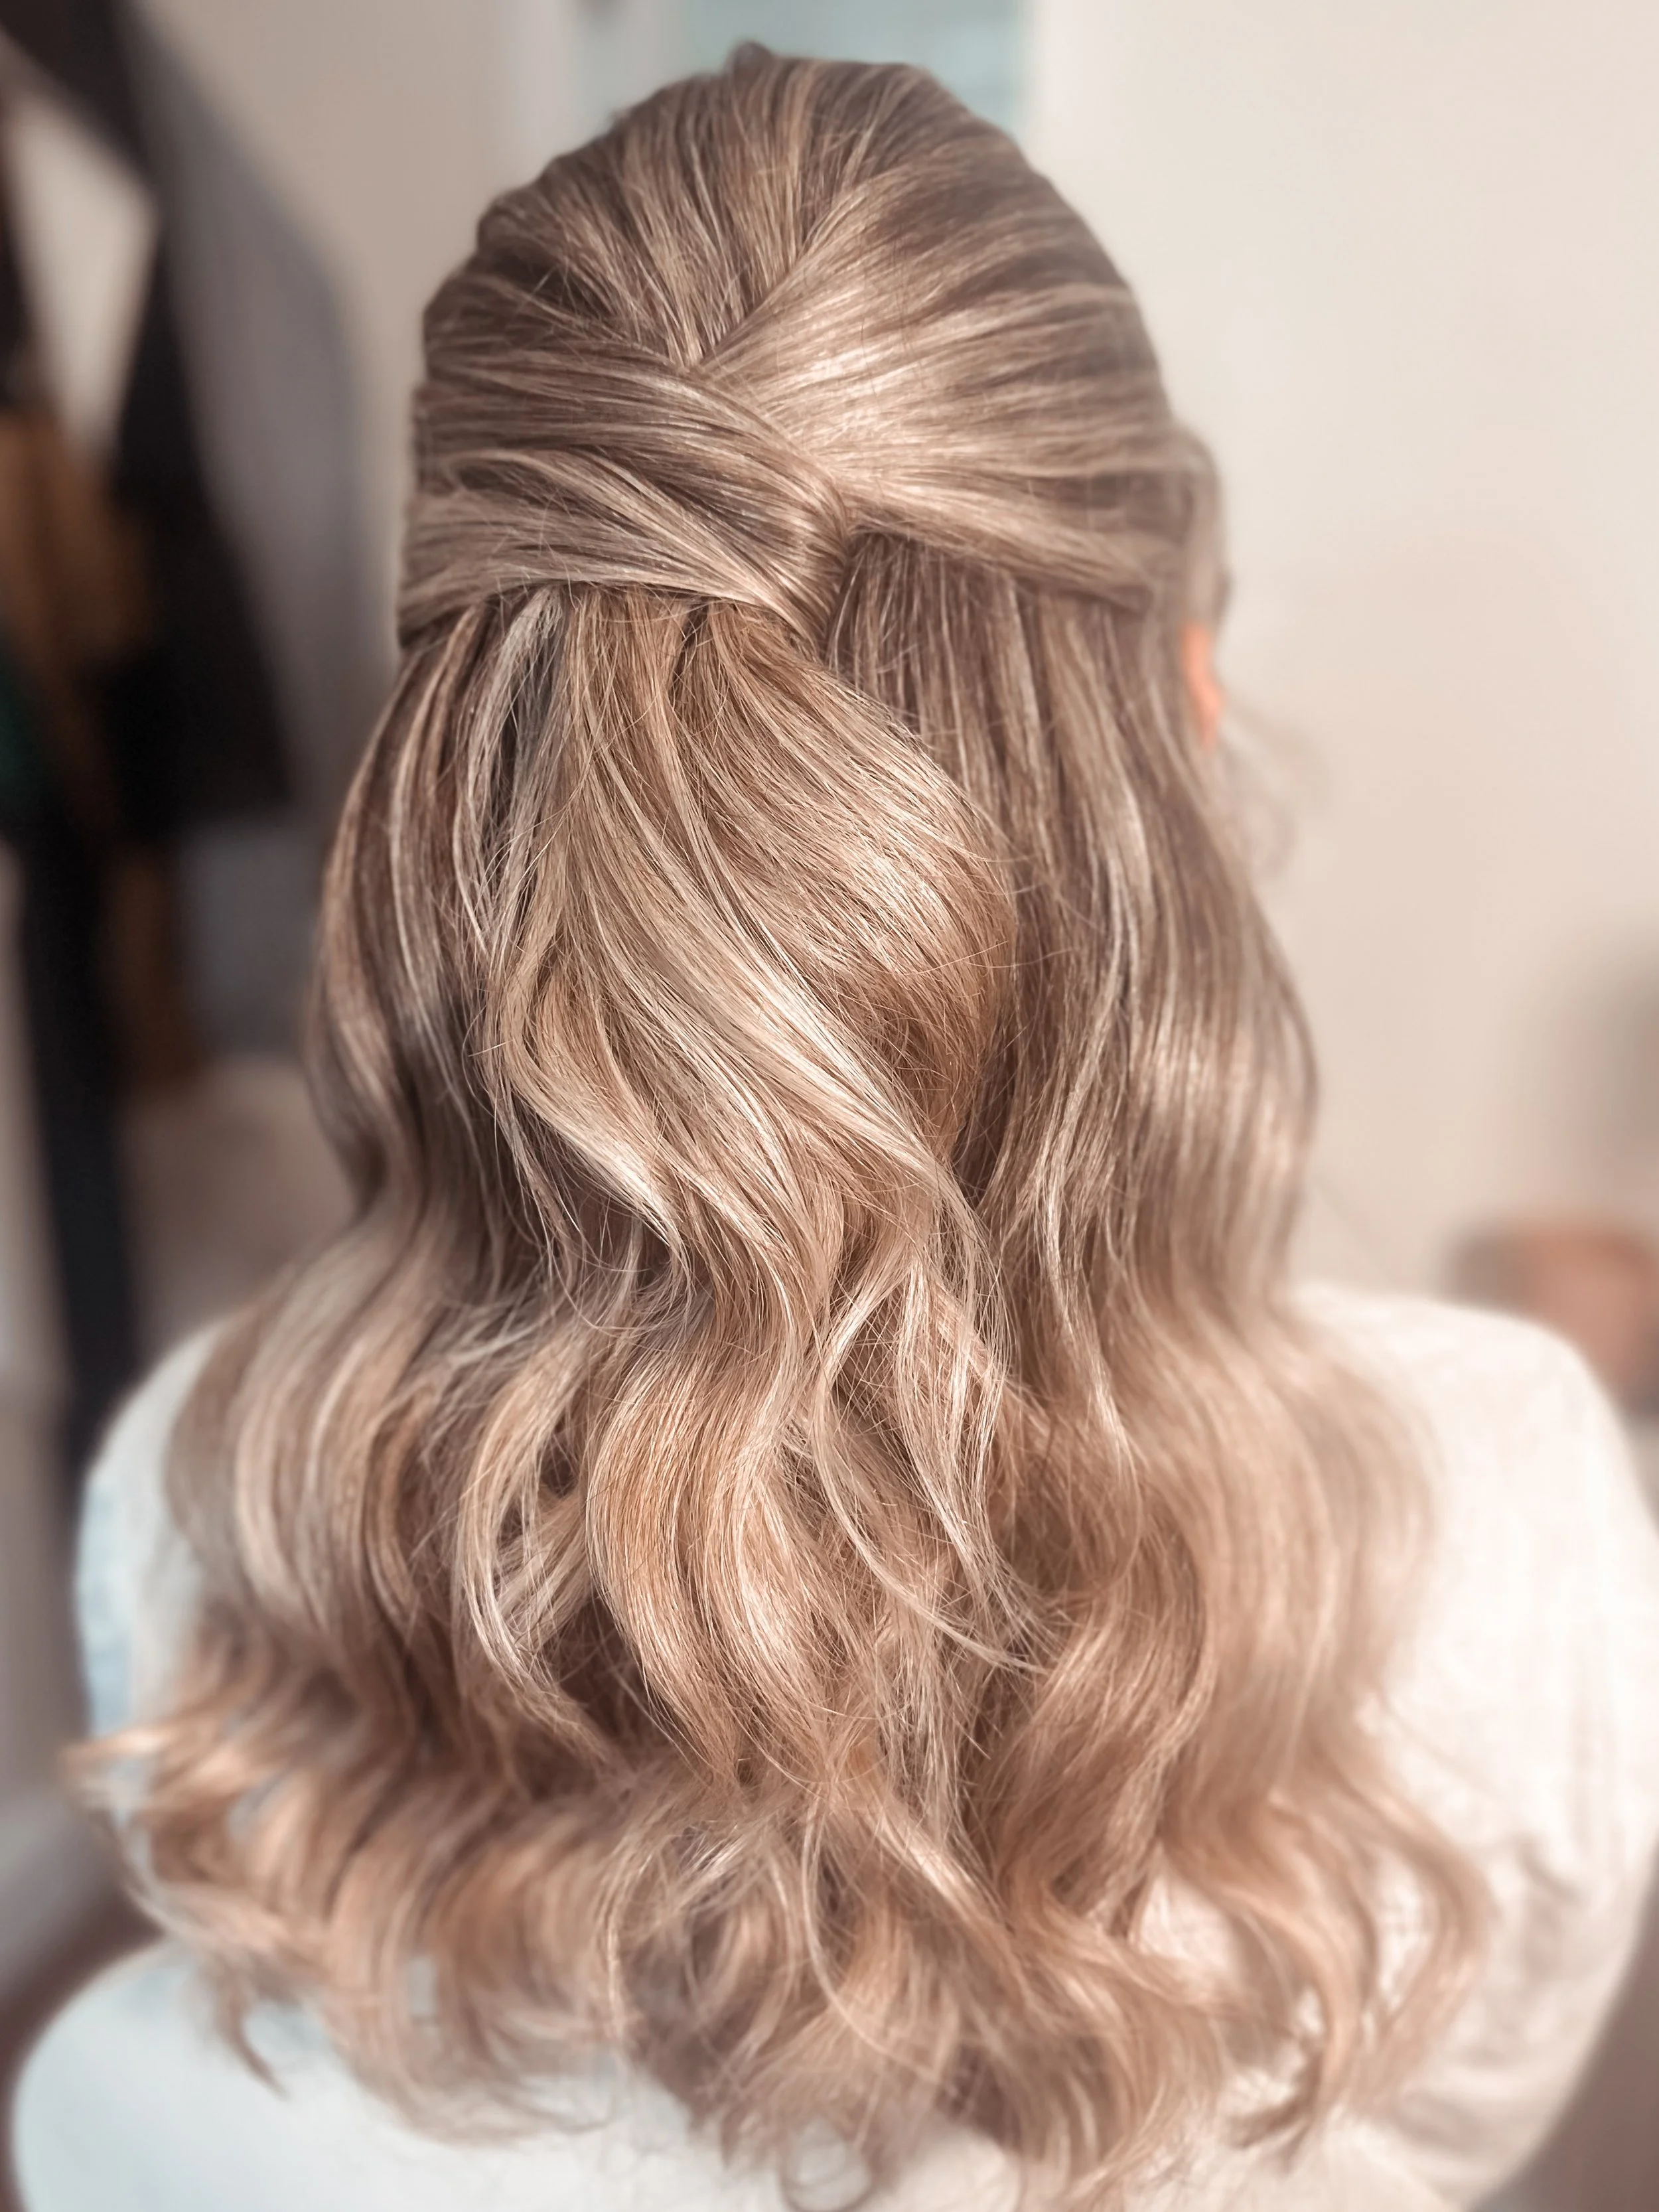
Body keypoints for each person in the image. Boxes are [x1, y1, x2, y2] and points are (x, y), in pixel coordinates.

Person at [14, 48, 1659, 2212]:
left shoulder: (202, 1503)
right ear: (1182, 714)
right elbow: (1436, 2140)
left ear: (462, 771)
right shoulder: (1509, 1515)